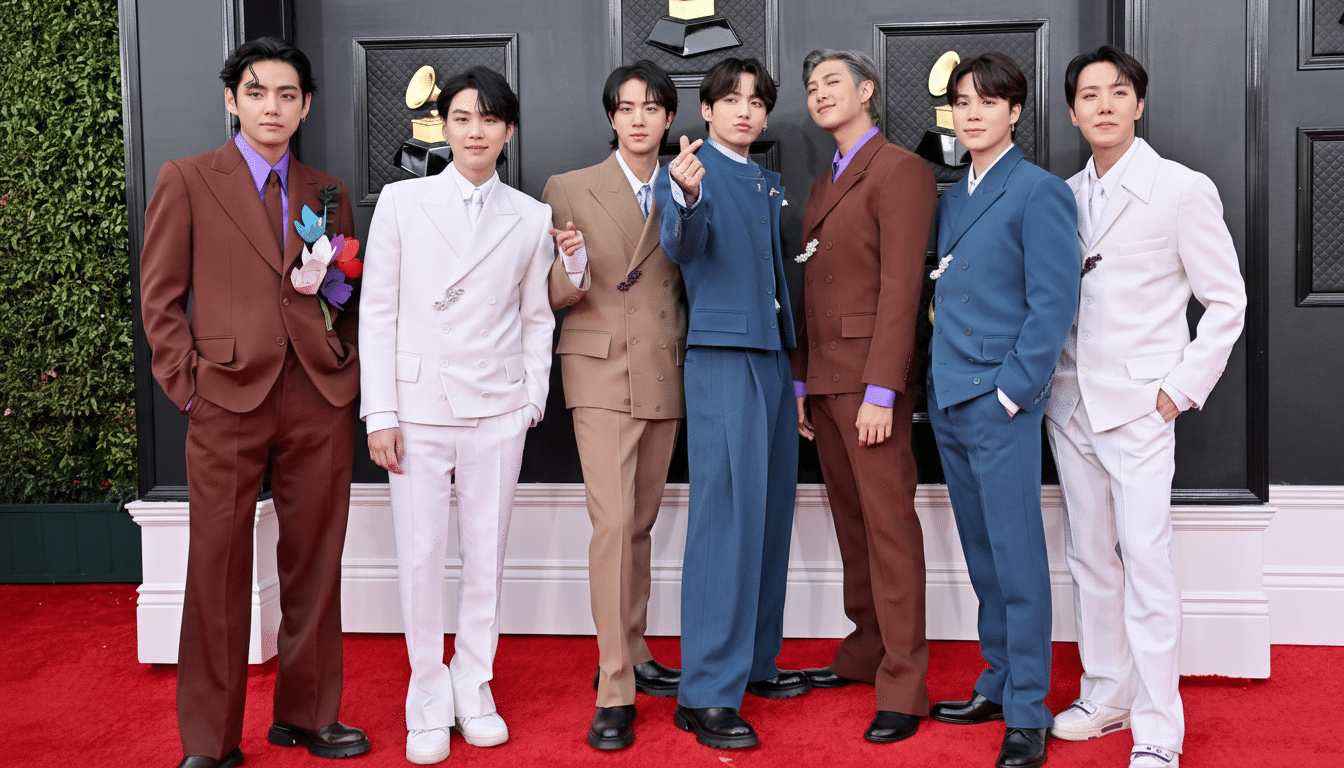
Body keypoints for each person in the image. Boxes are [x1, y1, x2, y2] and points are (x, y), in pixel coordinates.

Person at [139, 37, 369, 768]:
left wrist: (343, 364)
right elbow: (160, 298)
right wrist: (190, 387)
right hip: (225, 399)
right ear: (233, 100)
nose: (273, 107)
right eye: (258, 92)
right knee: (215, 568)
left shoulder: (326, 190)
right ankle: (210, 741)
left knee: (314, 561)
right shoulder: (187, 179)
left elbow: (345, 288)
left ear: (304, 106)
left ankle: (306, 715)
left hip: (316, 395)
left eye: (288, 94)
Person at [1045, 46, 1246, 768]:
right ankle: (1108, 694)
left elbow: (1227, 300)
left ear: (1138, 104)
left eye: (1117, 92)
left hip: (1139, 406)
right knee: (1088, 559)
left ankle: (1160, 730)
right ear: (1072, 111)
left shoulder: (1181, 188)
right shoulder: (1060, 197)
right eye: (1089, 95)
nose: (1103, 104)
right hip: (1069, 406)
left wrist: (1178, 388)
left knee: (1147, 564)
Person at [359, 66, 555, 765]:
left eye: (490, 119)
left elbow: (538, 318)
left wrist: (532, 396)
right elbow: (377, 312)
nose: (476, 131)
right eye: (464, 118)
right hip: (415, 410)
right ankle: (427, 700)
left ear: (507, 129)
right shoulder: (404, 204)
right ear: (444, 125)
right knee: (419, 561)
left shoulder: (531, 217)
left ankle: (475, 687)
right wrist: (379, 410)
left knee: (485, 562)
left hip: (497, 409)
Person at [923, 52, 1079, 768]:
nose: (973, 111)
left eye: (989, 100)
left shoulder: (1039, 190)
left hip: (999, 400)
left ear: (1015, 111)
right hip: (948, 396)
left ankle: (1027, 708)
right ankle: (995, 678)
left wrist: (1015, 391)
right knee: (983, 555)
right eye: (963, 101)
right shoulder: (950, 196)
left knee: (1016, 558)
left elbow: (1054, 304)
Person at [654, 56, 810, 750]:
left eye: (756, 100)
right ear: (708, 110)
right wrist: (684, 198)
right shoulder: (688, 174)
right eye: (731, 99)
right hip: (721, 360)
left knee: (772, 514)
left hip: (772, 356)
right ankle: (706, 695)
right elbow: (682, 244)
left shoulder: (762, 178)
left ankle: (755, 662)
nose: (745, 110)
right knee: (724, 522)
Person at [791, 48, 937, 745]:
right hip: (825, 382)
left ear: (867, 91)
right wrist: (801, 380)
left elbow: (904, 288)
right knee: (853, 528)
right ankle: (863, 651)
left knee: (888, 530)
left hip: (871, 387)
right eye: (811, 86)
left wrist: (885, 388)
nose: (820, 94)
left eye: (832, 83)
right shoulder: (824, 182)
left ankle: (905, 683)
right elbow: (809, 290)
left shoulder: (901, 170)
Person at [541, 59, 687, 751]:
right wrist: (569, 266)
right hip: (598, 370)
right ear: (611, 117)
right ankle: (615, 685)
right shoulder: (568, 189)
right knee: (614, 521)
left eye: (651, 107)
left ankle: (635, 645)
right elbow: (548, 294)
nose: (638, 118)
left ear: (667, 118)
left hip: (664, 367)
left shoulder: (688, 184)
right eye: (626, 107)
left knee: (640, 524)